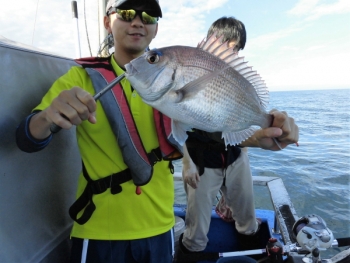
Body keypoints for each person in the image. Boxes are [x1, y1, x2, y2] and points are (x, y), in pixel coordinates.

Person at [15, 0, 183, 263]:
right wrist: (49, 115)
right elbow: (27, 137)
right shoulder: (80, 78)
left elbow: (208, 132)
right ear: (108, 22)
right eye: (127, 13)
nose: (138, 21)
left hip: (161, 226)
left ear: (156, 29)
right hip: (99, 232)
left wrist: (260, 134)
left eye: (149, 16)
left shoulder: (176, 81)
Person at [175, 17, 299, 262]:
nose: (232, 51)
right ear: (213, 40)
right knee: (196, 233)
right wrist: (186, 162)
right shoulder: (191, 70)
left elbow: (238, 126)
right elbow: (175, 125)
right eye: (227, 43)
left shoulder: (234, 78)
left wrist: (265, 132)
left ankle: (253, 255)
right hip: (202, 160)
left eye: (237, 47)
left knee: (247, 220)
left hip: (235, 154)